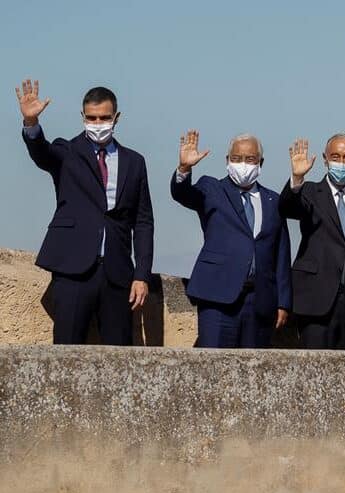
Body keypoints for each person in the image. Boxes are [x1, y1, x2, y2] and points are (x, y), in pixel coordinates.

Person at [16, 79, 154, 345]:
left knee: (119, 355)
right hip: (73, 270)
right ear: (83, 117)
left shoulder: (134, 162)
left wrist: (142, 275)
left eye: (104, 118)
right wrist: (31, 123)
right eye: (91, 118)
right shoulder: (66, 152)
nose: (98, 123)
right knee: (66, 350)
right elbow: (41, 153)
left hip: (117, 273)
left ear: (116, 118)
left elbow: (143, 221)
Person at [171, 130, 291, 348]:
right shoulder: (211, 189)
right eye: (236, 158)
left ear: (260, 162)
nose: (242, 164)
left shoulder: (273, 201)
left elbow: (281, 254)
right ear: (227, 160)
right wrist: (184, 168)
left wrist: (283, 302)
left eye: (249, 159)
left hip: (259, 301)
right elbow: (182, 193)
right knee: (214, 363)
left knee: (255, 366)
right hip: (217, 297)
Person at [278, 134, 345, 350]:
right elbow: (287, 207)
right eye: (335, 156)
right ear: (325, 159)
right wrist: (297, 178)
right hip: (315, 302)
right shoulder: (309, 192)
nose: (341, 162)